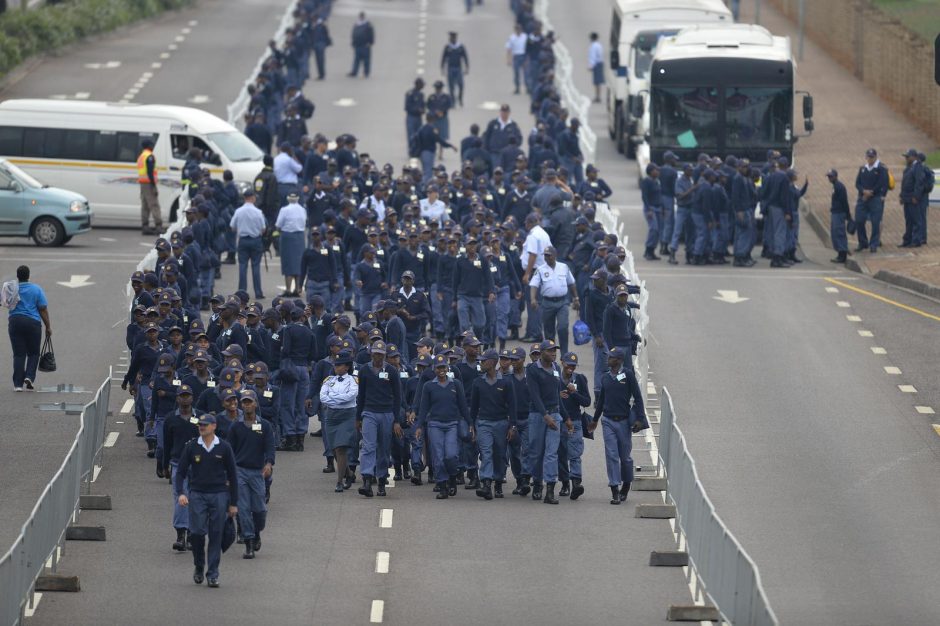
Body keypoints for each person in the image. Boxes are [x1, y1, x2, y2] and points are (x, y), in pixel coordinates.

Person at [175, 414, 239, 588]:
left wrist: (233, 503)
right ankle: (198, 565)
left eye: (205, 424)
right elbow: (180, 472)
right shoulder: (192, 447)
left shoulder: (224, 448)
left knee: (216, 535)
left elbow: (233, 476)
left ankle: (213, 574)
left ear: (214, 426)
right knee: (196, 533)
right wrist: (181, 493)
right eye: (200, 425)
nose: (201, 427)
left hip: (219, 495)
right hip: (197, 495)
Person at [587, 347, 646, 505]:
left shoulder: (628, 374)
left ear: (619, 360)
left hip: (624, 422)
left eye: (612, 357)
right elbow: (601, 400)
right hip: (608, 421)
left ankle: (626, 483)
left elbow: (638, 398)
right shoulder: (605, 377)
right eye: (609, 356)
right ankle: (614, 489)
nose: (608, 359)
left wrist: (640, 419)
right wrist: (595, 419)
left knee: (625, 457)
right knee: (611, 454)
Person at [227, 389, 275, 560]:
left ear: (255, 403)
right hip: (239, 471)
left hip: (257, 472)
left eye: (250, 401)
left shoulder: (265, 426)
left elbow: (270, 447)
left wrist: (269, 463)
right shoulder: (236, 426)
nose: (247, 405)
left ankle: (256, 531)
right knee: (244, 509)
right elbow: (229, 450)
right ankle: (248, 543)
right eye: (244, 402)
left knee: (260, 509)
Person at [416, 354, 470, 499]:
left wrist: (470, 423)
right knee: (438, 458)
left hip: (452, 424)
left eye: (443, 367)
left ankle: (452, 476)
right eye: (438, 367)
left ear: (447, 368)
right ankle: (443, 485)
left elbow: (463, 406)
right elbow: (423, 408)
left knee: (451, 455)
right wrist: (419, 426)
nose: (441, 370)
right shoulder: (429, 386)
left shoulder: (456, 384)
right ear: (434, 369)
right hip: (434, 425)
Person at [355, 340, 404, 497]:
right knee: (368, 446)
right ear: (371, 353)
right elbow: (361, 395)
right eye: (375, 353)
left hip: (387, 414)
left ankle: (382, 479)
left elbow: (398, 397)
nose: (378, 356)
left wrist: (396, 420)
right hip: (369, 412)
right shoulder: (364, 370)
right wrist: (358, 417)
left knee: (383, 448)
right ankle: (367, 480)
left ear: (384, 355)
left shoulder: (391, 371)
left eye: (381, 354)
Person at [524, 340, 569, 505]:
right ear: (542, 352)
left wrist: (566, 417)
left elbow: (558, 395)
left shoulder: (556, 368)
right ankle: (537, 483)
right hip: (537, 415)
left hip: (555, 414)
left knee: (552, 453)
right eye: (550, 351)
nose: (553, 353)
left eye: (555, 351)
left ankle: (550, 489)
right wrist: (544, 415)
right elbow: (534, 395)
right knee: (536, 453)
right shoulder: (533, 370)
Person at [469, 349, 516, 500]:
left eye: (484, 361)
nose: (481, 363)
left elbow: (512, 405)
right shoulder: (478, 382)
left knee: (500, 455)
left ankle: (498, 483)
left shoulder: (506, 382)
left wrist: (512, 426)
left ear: (493, 362)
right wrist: (472, 424)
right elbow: (474, 406)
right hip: (483, 423)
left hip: (501, 423)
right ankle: (486, 484)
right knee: (486, 453)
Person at [6, 265, 51, 392]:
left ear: (17, 276)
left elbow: (3, 301)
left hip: (15, 322)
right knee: (33, 353)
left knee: (19, 354)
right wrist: (48, 327)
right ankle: (29, 377)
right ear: (28, 276)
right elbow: (42, 309)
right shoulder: (36, 289)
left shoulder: (11, 288)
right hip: (33, 323)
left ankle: (18, 385)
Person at [319, 350, 359, 492]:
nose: (337, 367)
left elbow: (351, 395)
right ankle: (348, 473)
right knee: (334, 449)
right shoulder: (329, 380)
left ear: (347, 366)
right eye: (335, 365)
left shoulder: (353, 380)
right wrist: (338, 399)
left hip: (347, 415)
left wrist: (334, 398)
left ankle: (339, 482)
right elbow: (323, 397)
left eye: (340, 365)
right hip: (331, 416)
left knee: (341, 448)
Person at [528, 245, 578, 354]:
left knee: (563, 327)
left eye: (549, 255)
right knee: (549, 331)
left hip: (562, 302)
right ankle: (550, 355)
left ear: (555, 255)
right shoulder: (540, 270)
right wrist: (533, 299)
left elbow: (571, 283)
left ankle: (564, 354)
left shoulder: (564, 267)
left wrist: (576, 298)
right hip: (547, 303)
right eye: (545, 256)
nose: (547, 258)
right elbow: (534, 285)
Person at [230, 189, 267, 299]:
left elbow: (232, 227)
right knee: (255, 267)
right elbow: (263, 229)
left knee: (242, 266)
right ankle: (258, 292)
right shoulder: (258, 212)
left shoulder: (238, 211)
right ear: (252, 198)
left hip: (243, 240)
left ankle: (242, 292)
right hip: (256, 240)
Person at [854, 148, 889, 254]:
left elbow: (882, 183)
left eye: (872, 157)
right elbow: (857, 183)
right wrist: (863, 191)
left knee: (875, 222)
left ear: (875, 157)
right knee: (859, 220)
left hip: (875, 198)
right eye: (868, 157)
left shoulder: (881, 169)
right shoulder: (862, 169)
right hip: (863, 198)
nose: (870, 159)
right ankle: (863, 242)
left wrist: (871, 192)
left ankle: (874, 244)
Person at [275, 192, 307, 296]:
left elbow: (278, 225)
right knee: (299, 263)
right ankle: (297, 289)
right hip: (300, 236)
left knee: (288, 262)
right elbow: (304, 223)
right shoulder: (302, 209)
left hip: (287, 236)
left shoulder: (284, 210)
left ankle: (288, 289)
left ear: (288, 199)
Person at [899, 148, 927, 248]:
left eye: (908, 156)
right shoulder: (908, 167)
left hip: (913, 198)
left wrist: (916, 196)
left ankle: (916, 240)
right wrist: (902, 196)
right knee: (908, 220)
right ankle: (907, 240)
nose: (906, 158)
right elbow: (904, 183)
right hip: (906, 198)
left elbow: (919, 183)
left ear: (914, 157)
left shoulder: (918, 167)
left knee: (916, 220)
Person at [138, 139, 162, 235]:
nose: (153, 146)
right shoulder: (149, 156)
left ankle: (145, 226)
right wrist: (154, 186)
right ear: (149, 146)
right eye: (152, 145)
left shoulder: (141, 156)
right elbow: (150, 172)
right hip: (149, 183)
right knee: (154, 205)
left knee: (145, 206)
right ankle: (158, 226)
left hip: (142, 184)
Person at [827, 169, 850, 263]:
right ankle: (840, 252)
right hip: (835, 212)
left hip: (839, 213)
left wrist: (848, 214)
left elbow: (844, 201)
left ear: (836, 176)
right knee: (835, 233)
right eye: (828, 176)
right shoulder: (835, 186)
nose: (829, 178)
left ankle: (842, 254)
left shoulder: (839, 187)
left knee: (839, 233)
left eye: (831, 176)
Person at [440, 31, 469, 107]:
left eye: (453, 37)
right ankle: (453, 101)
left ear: (455, 38)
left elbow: (465, 57)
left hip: (458, 68)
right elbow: (443, 58)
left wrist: (467, 67)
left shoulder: (460, 47)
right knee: (451, 86)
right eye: (450, 37)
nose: (451, 39)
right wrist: (442, 68)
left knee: (461, 85)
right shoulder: (447, 47)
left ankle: (460, 98)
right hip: (450, 69)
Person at [640, 163, 662, 260]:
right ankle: (648, 250)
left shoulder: (657, 181)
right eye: (655, 170)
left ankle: (652, 250)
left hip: (658, 208)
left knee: (658, 231)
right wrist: (648, 209)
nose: (657, 172)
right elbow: (644, 196)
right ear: (650, 171)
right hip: (651, 208)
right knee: (654, 229)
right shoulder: (646, 181)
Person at [348, 12, 375, 78]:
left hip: (365, 45)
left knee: (366, 60)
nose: (361, 17)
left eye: (362, 16)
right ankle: (354, 72)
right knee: (356, 59)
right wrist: (353, 43)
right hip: (357, 45)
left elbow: (371, 35)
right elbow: (353, 34)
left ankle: (366, 73)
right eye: (360, 16)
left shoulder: (368, 25)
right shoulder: (356, 24)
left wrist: (370, 43)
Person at [404, 78, 426, 148]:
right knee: (411, 135)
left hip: (419, 117)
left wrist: (423, 110)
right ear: (418, 84)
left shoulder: (421, 94)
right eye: (422, 84)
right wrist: (417, 110)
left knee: (419, 135)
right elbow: (407, 107)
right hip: (411, 117)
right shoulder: (410, 93)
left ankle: (417, 150)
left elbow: (423, 105)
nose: (423, 86)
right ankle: (411, 150)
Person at [505, 23, 527, 95]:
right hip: (516, 56)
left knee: (525, 73)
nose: (518, 30)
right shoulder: (512, 38)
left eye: (519, 29)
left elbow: (528, 47)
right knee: (516, 73)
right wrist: (509, 59)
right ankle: (517, 88)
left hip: (523, 55)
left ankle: (527, 87)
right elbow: (509, 49)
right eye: (517, 29)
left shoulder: (525, 37)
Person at [587, 32, 604, 103]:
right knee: (598, 82)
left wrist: (591, 65)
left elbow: (593, 56)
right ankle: (598, 96)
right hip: (600, 63)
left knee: (597, 82)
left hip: (596, 64)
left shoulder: (593, 46)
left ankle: (598, 96)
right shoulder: (599, 45)